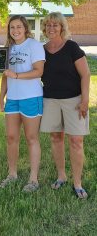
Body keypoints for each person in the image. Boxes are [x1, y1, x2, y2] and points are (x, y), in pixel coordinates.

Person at [40, 12, 90, 199]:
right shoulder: (41, 50)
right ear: (44, 28)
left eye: (55, 25)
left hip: (74, 100)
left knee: (76, 141)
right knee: (55, 138)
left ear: (62, 27)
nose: (51, 28)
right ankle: (61, 175)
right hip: (50, 100)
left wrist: (85, 100)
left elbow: (85, 74)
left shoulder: (71, 47)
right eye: (48, 25)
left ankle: (77, 183)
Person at [0, 15, 45, 192]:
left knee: (31, 138)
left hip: (31, 97)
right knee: (11, 137)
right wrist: (1, 96)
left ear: (26, 28)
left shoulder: (34, 46)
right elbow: (5, 75)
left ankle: (33, 179)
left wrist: (17, 76)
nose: (15, 30)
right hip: (13, 99)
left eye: (19, 27)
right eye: (12, 27)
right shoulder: (8, 48)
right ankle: (12, 174)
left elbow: (39, 71)